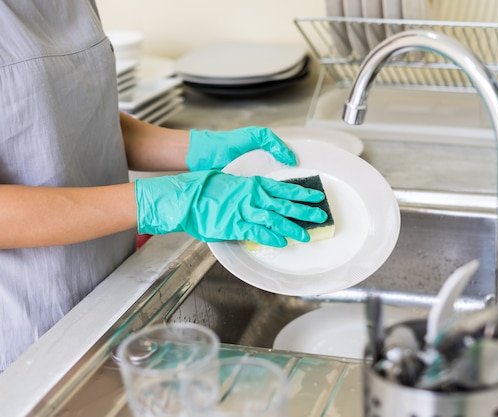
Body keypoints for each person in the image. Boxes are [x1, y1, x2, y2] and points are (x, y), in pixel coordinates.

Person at [0, 0, 327, 371]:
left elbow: (71, 121)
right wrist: (161, 201)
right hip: (25, 332)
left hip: (111, 292)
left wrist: (198, 148)